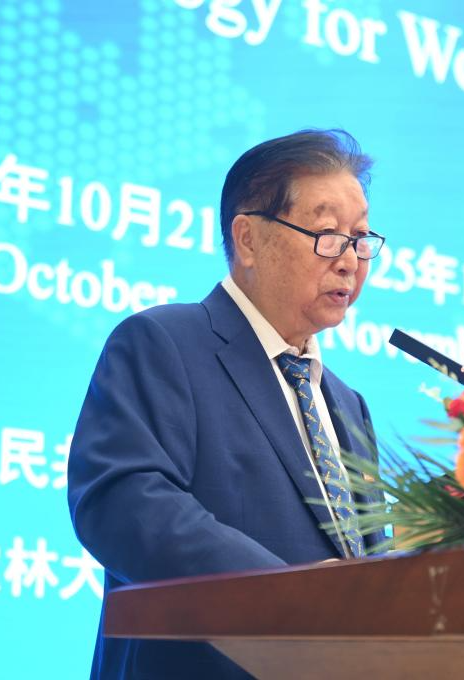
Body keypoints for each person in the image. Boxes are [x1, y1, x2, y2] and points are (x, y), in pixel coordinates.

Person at [67, 129, 386, 680]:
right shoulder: (164, 343)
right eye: (327, 234)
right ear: (249, 240)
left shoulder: (347, 404)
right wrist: (294, 599)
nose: (349, 260)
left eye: (359, 237)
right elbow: (123, 503)